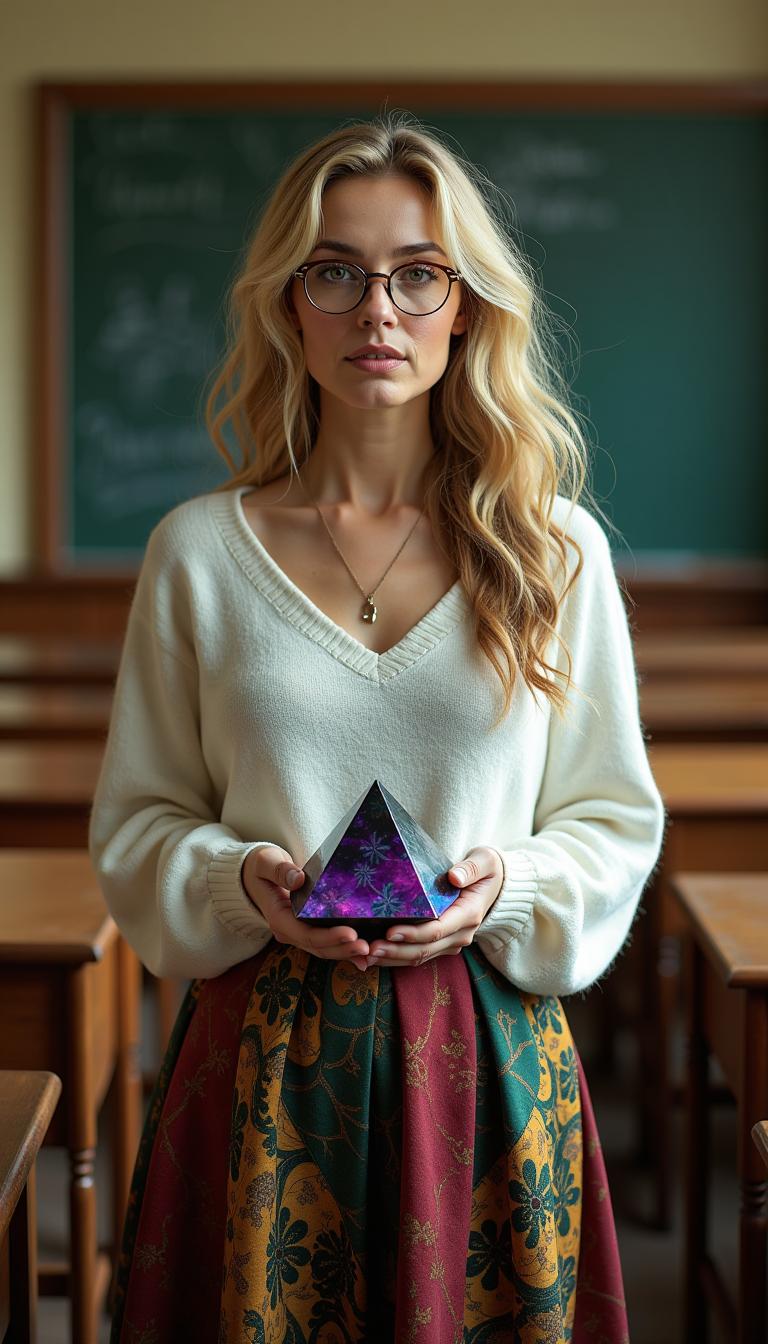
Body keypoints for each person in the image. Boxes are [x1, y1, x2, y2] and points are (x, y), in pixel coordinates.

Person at [89, 113, 665, 1344]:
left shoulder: (556, 551)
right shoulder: (197, 552)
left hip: (488, 1058)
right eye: (336, 272)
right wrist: (244, 877)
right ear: (289, 304)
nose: (378, 313)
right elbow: (138, 823)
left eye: (418, 274)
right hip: (260, 1062)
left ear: (466, 305)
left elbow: (613, 818)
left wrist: (503, 885)